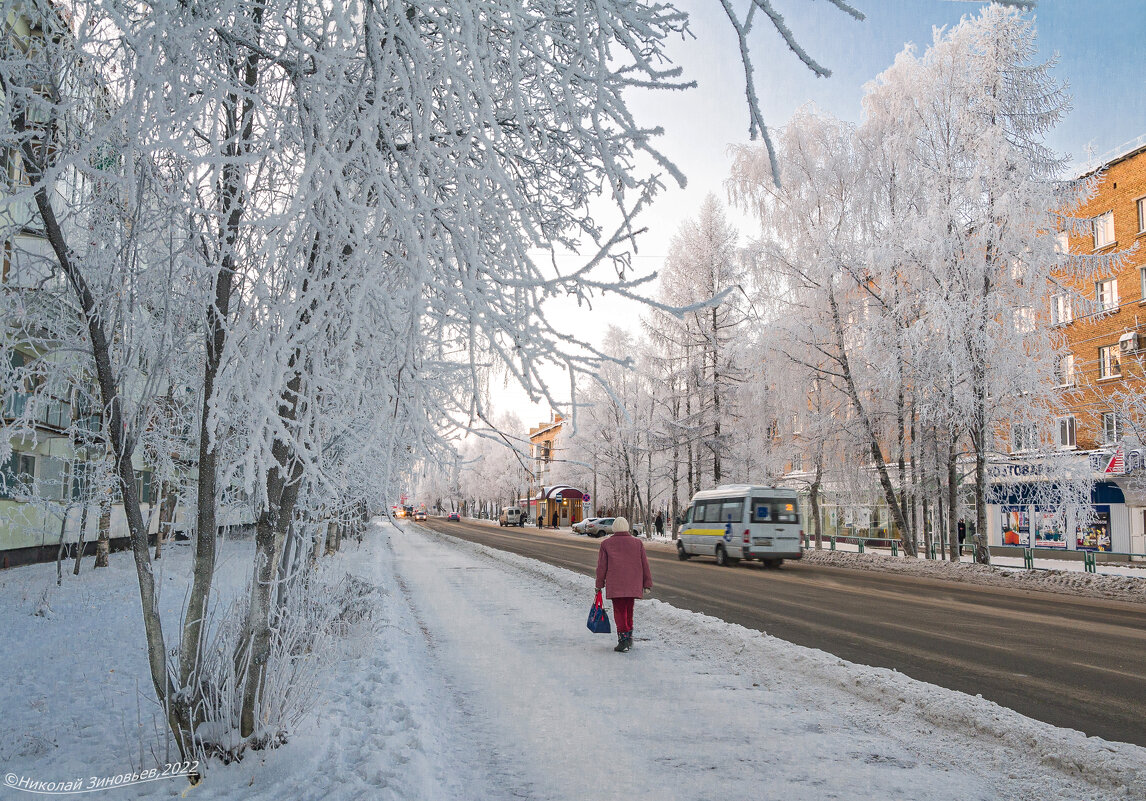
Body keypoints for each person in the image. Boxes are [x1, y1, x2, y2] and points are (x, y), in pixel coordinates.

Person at [594, 516, 653, 653]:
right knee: (629, 609)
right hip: (633, 583)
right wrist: (647, 583)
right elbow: (645, 565)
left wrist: (599, 584)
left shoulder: (606, 544)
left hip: (616, 584)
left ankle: (623, 640)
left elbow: (602, 567)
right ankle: (629, 637)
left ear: (614, 528)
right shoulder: (637, 543)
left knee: (619, 611)